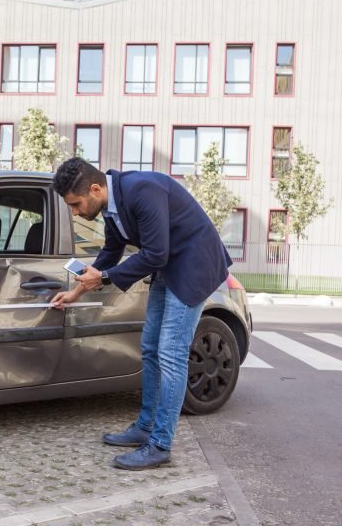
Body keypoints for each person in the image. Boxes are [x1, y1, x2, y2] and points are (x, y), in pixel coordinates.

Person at [50, 157, 232, 470]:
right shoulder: (111, 206)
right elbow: (110, 253)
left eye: (76, 204)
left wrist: (105, 278)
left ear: (95, 189)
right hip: (167, 267)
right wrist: (76, 292)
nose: (75, 212)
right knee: (150, 348)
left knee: (170, 353)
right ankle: (144, 427)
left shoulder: (142, 190)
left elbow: (155, 253)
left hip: (192, 268)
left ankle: (160, 444)